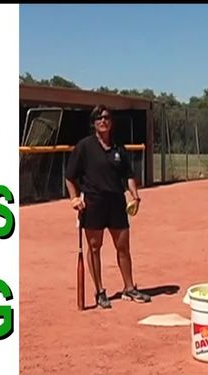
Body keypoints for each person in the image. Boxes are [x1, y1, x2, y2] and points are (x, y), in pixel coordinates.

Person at [64, 104, 151, 309]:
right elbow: (70, 176)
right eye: (98, 118)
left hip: (116, 203)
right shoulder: (85, 146)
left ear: (111, 122)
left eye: (106, 118)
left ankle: (129, 288)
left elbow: (128, 175)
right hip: (93, 203)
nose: (103, 121)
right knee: (94, 247)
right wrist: (74, 198)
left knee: (123, 247)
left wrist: (135, 196)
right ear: (94, 124)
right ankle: (100, 291)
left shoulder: (118, 148)